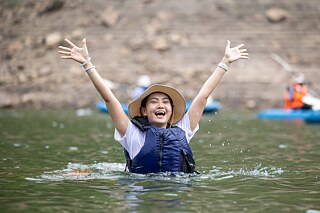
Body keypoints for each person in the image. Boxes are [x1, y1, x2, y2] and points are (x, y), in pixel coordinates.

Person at [58, 38, 249, 174]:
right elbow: (110, 100)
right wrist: (87, 64)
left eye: (166, 102)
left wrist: (224, 63)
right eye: (154, 102)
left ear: (172, 110)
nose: (161, 105)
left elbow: (202, 97)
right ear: (143, 110)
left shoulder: (184, 129)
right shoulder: (131, 133)